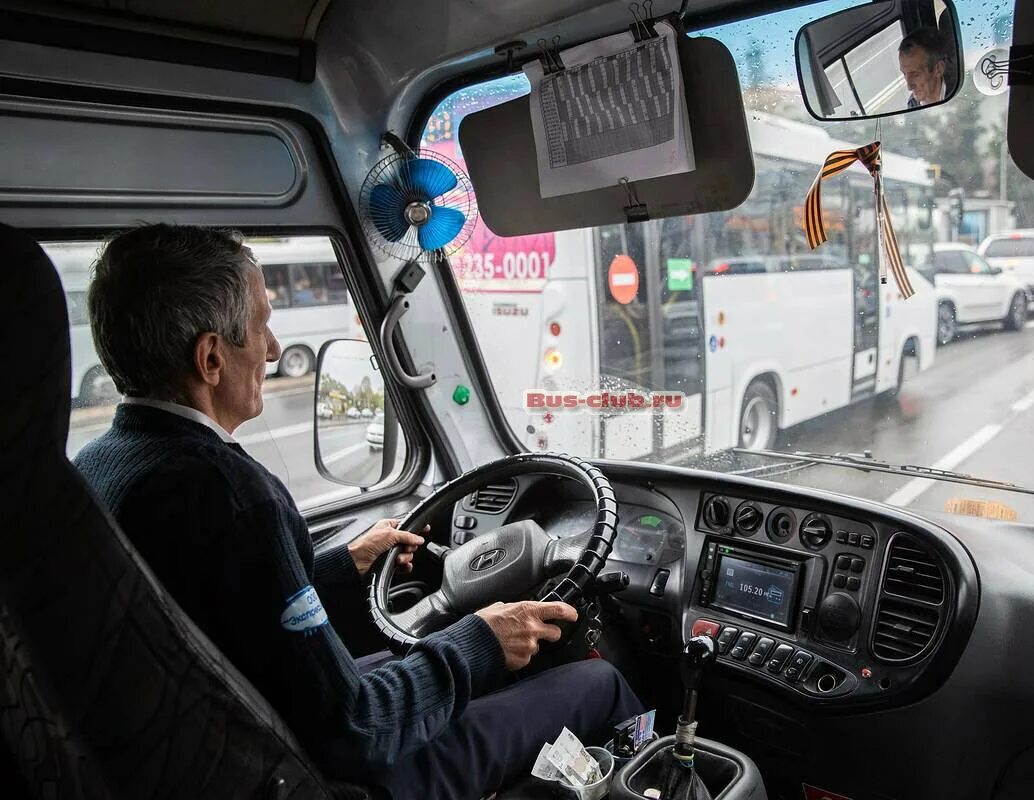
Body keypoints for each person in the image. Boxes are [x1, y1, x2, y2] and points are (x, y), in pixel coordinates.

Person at [73, 224, 642, 799]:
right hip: (303, 774)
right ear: (211, 357)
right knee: (597, 682)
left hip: (218, 745)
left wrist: (342, 566)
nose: (273, 349)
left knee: (439, 665)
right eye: (262, 325)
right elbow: (356, 727)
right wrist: (481, 642)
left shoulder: (101, 466)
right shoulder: (228, 494)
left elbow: (226, 606)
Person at [898, 27, 949, 108]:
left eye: (915, 74)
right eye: (904, 74)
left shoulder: (961, 94)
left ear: (939, 69)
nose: (909, 87)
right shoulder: (912, 106)